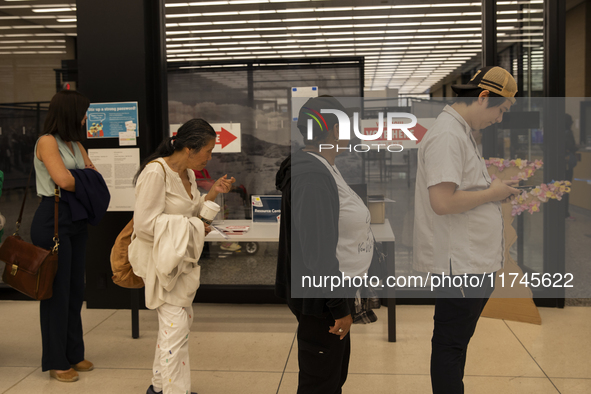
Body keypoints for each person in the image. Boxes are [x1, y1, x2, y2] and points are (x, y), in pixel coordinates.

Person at [413, 66, 521, 394]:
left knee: (454, 343)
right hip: (461, 265)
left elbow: (462, 187)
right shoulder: (448, 134)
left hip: (469, 262)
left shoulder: (459, 131)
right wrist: (492, 194)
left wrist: (493, 186)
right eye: (501, 110)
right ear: (484, 97)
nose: (499, 119)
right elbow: (443, 202)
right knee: (450, 345)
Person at [128, 119, 235, 394]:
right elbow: (145, 225)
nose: (210, 157)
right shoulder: (155, 172)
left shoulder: (186, 173)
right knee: (175, 331)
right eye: (208, 151)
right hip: (160, 263)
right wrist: (194, 227)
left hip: (179, 261)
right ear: (189, 148)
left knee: (175, 328)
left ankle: (159, 387)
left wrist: (213, 194)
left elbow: (191, 211)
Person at [276, 96, 374, 394]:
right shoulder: (312, 176)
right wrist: (338, 306)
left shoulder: (323, 166)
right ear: (334, 130)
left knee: (331, 378)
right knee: (320, 383)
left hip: (329, 297)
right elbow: (318, 252)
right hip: (322, 303)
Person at [31, 90, 99, 382]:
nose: (86, 118)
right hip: (53, 217)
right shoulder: (47, 142)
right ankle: (56, 360)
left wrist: (82, 180)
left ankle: (74, 352)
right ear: (71, 113)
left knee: (75, 290)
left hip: (76, 217)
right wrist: (84, 180)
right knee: (56, 293)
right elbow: (63, 180)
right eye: (83, 112)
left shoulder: (75, 143)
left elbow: (91, 174)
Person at [565, 113, 578, 219]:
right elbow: (570, 146)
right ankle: (565, 212)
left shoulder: (557, 132)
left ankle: (561, 211)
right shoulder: (568, 133)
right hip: (567, 165)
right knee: (566, 188)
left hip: (560, 164)